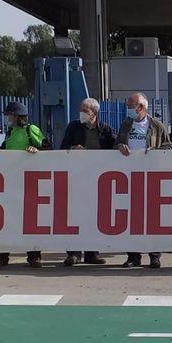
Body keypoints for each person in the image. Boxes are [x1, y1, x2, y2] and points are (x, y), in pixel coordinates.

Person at [118, 92, 172, 269]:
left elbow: (169, 147)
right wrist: (120, 146)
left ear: (140, 107)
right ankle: (133, 256)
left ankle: (154, 255)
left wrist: (155, 150)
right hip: (129, 177)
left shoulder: (157, 126)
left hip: (152, 178)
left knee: (153, 218)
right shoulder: (126, 125)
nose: (128, 109)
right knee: (132, 218)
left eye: (130, 105)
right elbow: (115, 145)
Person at [59, 97, 116, 267]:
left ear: (94, 114)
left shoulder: (105, 130)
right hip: (76, 177)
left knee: (94, 216)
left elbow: (114, 152)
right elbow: (62, 148)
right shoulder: (73, 127)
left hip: (97, 180)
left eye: (86, 111)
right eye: (81, 110)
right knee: (75, 215)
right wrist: (72, 149)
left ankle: (92, 253)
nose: (82, 114)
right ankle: (73, 253)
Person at [0, 101, 47, 269]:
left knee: (29, 220)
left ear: (17, 116)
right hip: (11, 181)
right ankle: (2, 256)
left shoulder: (32, 130)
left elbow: (48, 148)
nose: (7, 118)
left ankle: (34, 256)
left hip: (29, 182)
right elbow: (3, 150)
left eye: (9, 115)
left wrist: (37, 151)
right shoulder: (10, 132)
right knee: (5, 220)